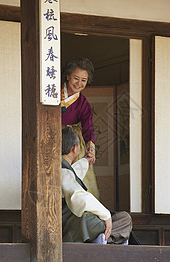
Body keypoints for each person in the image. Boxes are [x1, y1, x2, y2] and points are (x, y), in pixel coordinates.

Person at [62, 126, 132, 244]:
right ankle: (103, 240)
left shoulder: (62, 168)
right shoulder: (63, 170)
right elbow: (78, 196)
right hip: (72, 224)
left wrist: (85, 161)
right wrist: (106, 215)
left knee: (120, 218)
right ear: (75, 148)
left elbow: (73, 176)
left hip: (72, 222)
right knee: (124, 219)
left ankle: (101, 237)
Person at [61, 57, 99, 199]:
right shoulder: (52, 92)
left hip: (72, 141)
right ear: (67, 76)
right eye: (76, 78)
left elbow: (88, 128)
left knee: (78, 178)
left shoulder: (83, 104)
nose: (79, 83)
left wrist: (90, 152)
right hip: (51, 136)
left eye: (83, 80)